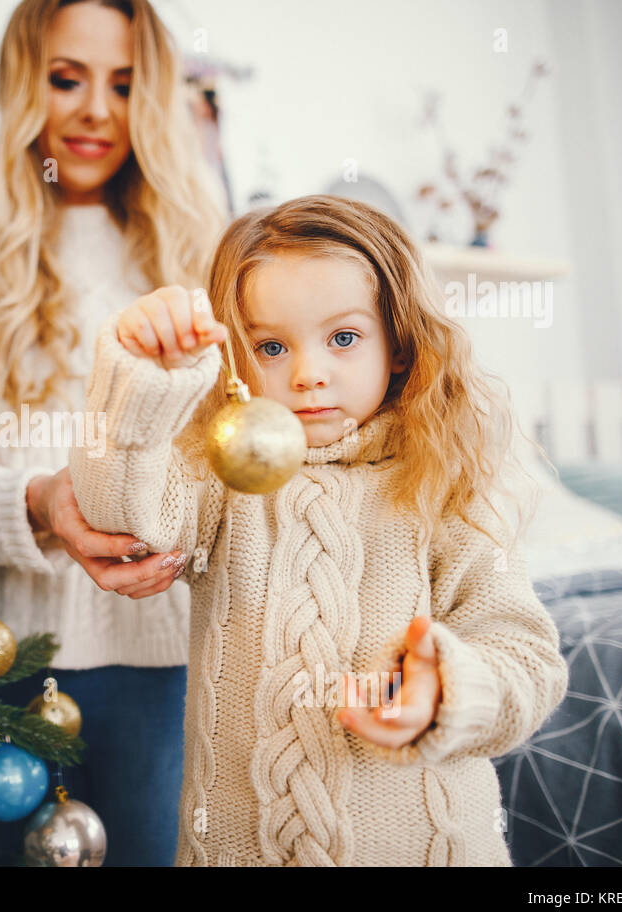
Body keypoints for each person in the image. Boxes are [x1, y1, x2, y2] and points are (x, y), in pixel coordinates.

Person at [67, 194, 570, 865]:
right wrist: (139, 381)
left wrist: (450, 692)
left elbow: (528, 658)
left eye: (343, 338)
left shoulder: (441, 483)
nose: (307, 374)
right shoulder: (221, 475)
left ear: (397, 341)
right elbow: (120, 517)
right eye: (271, 346)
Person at [0, 0, 227, 865]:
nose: (93, 111)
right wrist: (41, 504)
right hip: (0, 661)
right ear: (24, 87)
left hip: (169, 659)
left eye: (123, 85)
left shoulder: (207, 270)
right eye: (66, 78)